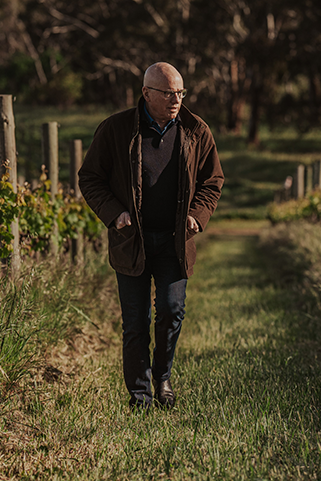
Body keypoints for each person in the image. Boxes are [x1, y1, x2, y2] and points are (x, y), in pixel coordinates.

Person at [78, 62, 224, 409]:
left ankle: (162, 377)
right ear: (146, 93)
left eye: (180, 93)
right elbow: (90, 178)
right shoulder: (115, 129)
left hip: (175, 242)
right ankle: (140, 396)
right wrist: (115, 215)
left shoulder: (195, 130)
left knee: (172, 312)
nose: (176, 100)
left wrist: (196, 216)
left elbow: (212, 181)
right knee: (135, 323)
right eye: (168, 93)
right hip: (132, 241)